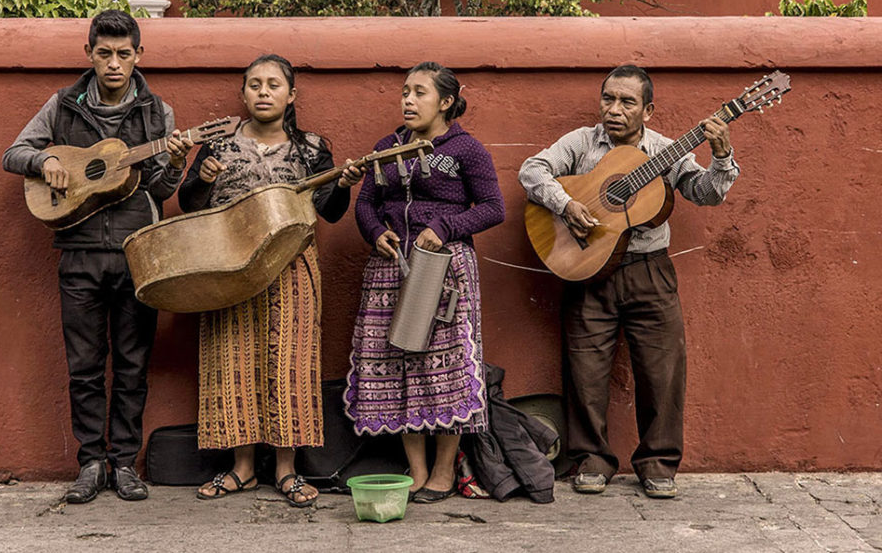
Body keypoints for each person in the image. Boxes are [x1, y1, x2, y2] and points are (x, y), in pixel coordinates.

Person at [518, 64, 739, 499]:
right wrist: (565, 205)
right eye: (608, 99)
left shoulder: (666, 150)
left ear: (648, 110)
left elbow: (704, 192)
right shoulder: (582, 142)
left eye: (627, 102)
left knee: (663, 371)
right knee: (585, 369)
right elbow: (532, 170)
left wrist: (722, 156)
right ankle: (591, 461)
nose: (613, 109)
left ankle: (658, 464)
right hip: (588, 270)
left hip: (649, 270)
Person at [2, 10, 195, 503]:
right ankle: (90, 463)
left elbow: (161, 188)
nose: (114, 63)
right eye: (104, 53)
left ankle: (124, 464)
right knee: (84, 365)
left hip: (138, 253)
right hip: (79, 253)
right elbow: (14, 153)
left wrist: (174, 160)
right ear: (89, 53)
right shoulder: (63, 104)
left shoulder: (158, 114)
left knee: (133, 364)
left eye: (123, 54)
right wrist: (45, 159)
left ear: (138, 55)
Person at [178, 53, 362, 508]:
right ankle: (241, 469)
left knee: (290, 364)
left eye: (273, 84)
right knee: (232, 359)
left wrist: (342, 184)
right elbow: (188, 204)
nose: (263, 91)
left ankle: (286, 470)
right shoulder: (217, 145)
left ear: (291, 95)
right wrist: (201, 179)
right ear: (242, 94)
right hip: (229, 269)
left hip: (292, 267)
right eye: (255, 84)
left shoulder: (312, 149)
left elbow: (331, 212)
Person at [344, 62, 505, 503]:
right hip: (390, 269)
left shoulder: (465, 149)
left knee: (444, 368)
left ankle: (443, 470)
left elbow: (493, 207)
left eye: (419, 93)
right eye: (405, 92)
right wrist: (376, 232)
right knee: (397, 364)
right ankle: (415, 469)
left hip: (444, 268)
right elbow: (366, 206)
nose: (408, 101)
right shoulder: (387, 147)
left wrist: (447, 227)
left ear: (446, 102)